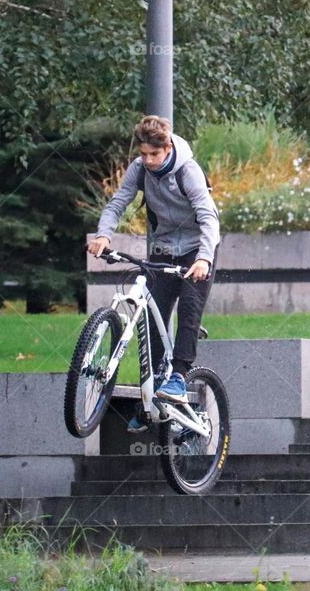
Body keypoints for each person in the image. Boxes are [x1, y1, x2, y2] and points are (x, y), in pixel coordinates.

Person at [87, 115, 220, 433]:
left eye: (153, 155)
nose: (147, 161)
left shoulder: (187, 170)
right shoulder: (139, 169)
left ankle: (177, 377)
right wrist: (104, 235)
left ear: (168, 147)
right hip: (163, 249)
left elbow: (208, 217)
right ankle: (152, 394)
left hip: (196, 251)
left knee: (189, 308)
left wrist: (203, 259)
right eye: (143, 154)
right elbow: (117, 203)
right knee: (152, 315)